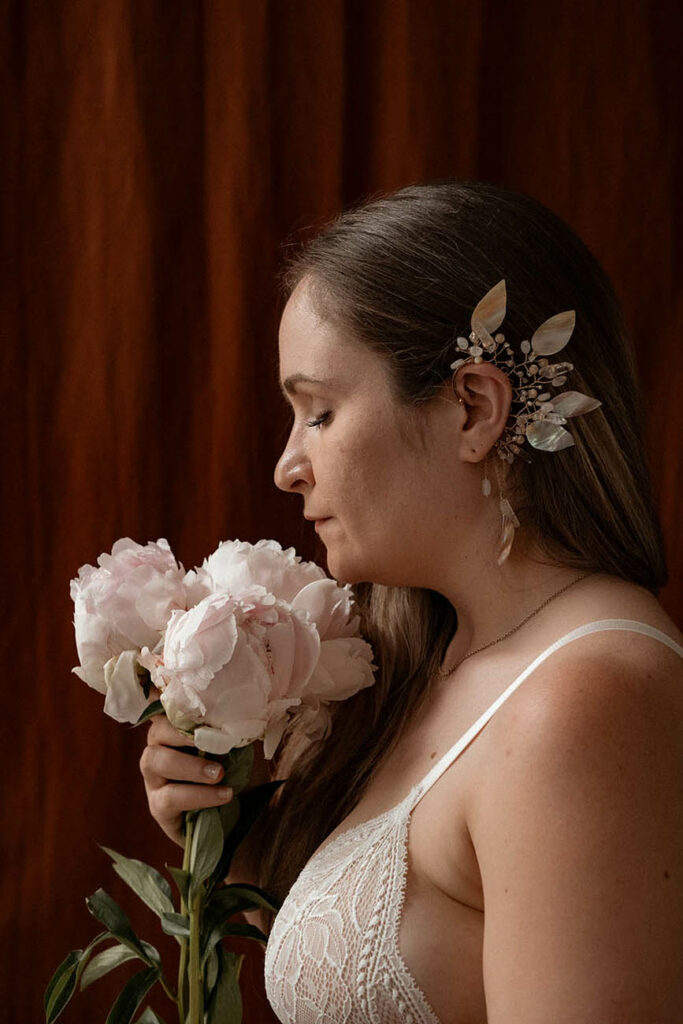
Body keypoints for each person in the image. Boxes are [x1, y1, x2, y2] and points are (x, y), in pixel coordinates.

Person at [140, 180, 683, 1023]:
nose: (287, 466)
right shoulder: (434, 660)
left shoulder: (580, 705)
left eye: (317, 412)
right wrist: (228, 830)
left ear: (473, 408)